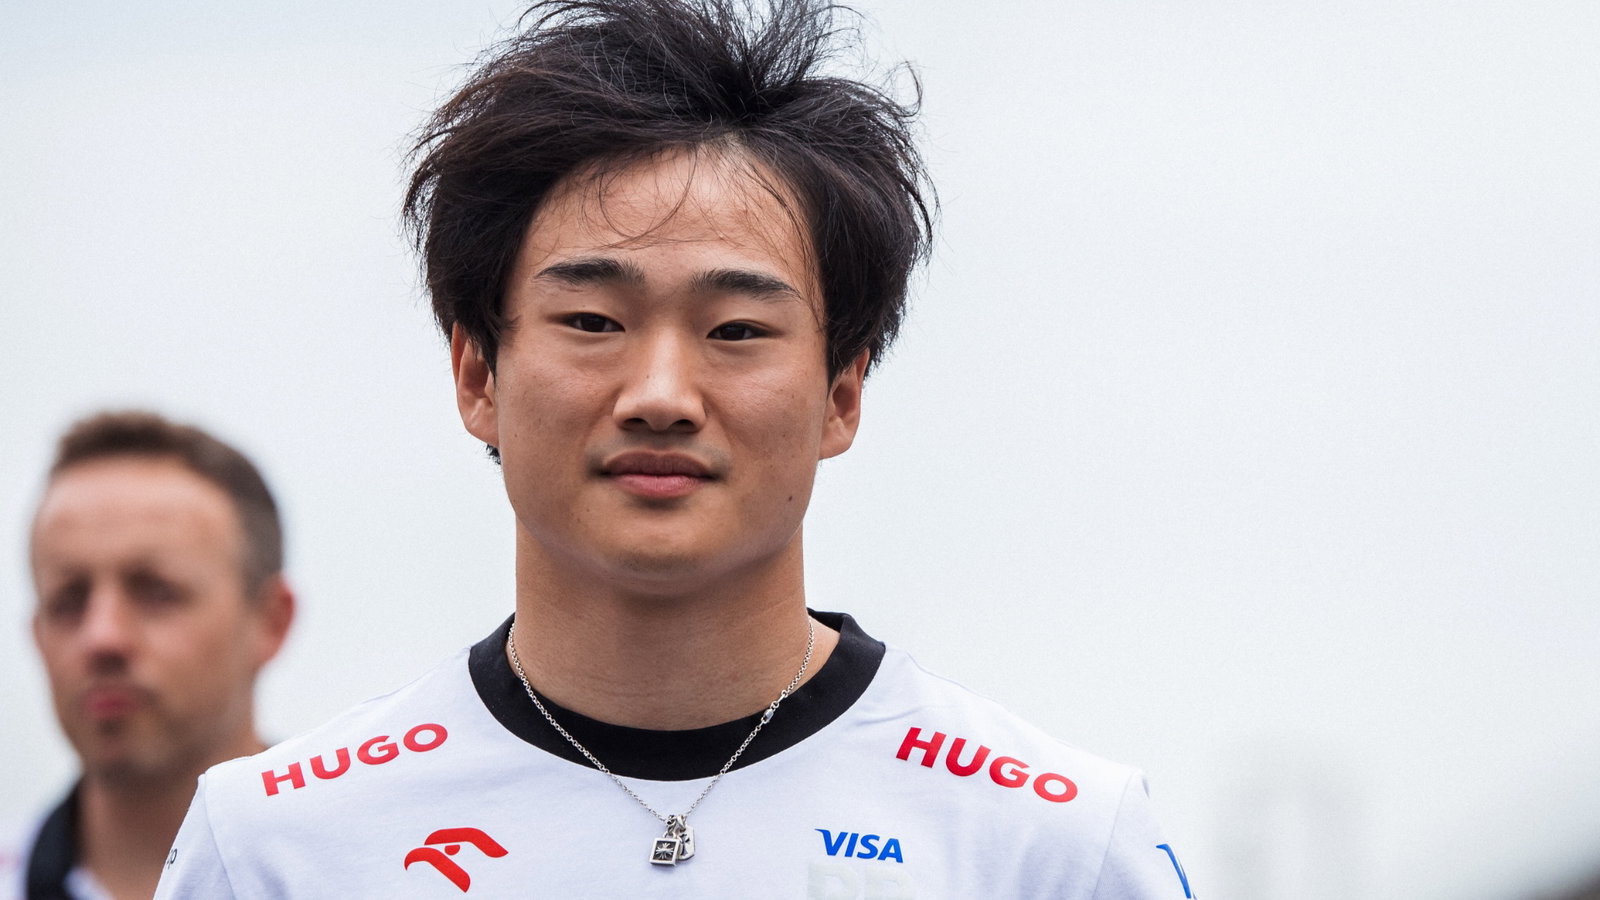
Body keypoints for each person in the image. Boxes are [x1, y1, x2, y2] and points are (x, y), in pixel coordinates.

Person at [156, 0, 1195, 896]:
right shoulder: (275, 844)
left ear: (841, 392)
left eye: (735, 330)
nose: (660, 396)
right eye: (592, 322)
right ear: (478, 374)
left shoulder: (1050, 841)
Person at [1, 411, 295, 900]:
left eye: (156, 591)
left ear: (270, 621)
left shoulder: (391, 875)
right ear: (37, 635)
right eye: (68, 601)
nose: (102, 637)